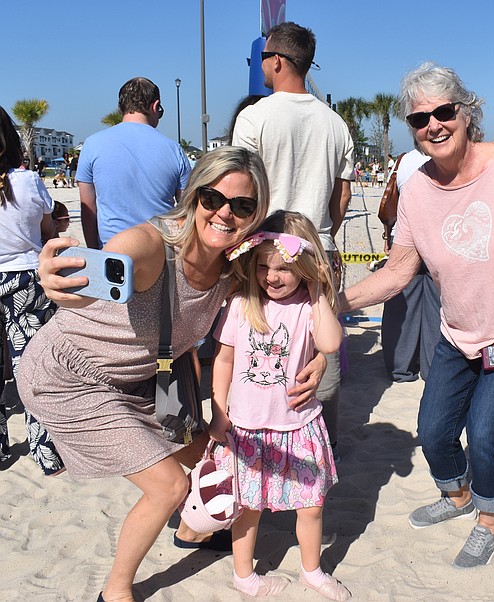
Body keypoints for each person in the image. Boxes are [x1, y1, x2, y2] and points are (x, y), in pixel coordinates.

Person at [18, 146, 327, 602]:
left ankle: (190, 530)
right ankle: (117, 590)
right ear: (192, 196)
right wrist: (62, 281)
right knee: (169, 485)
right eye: (211, 198)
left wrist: (319, 356)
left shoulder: (239, 263)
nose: (224, 213)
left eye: (241, 206)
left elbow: (305, 290)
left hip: (153, 373)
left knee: (214, 454)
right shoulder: (152, 246)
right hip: (71, 378)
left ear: (255, 213)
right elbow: (108, 264)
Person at [341, 62, 494, 568]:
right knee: (434, 430)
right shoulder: (415, 188)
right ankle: (458, 497)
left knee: (485, 431)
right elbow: (398, 272)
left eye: (443, 112)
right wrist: (335, 302)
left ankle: (489, 519)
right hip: (458, 331)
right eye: (420, 119)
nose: (433, 125)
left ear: (466, 113)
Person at [210, 210, 349, 600]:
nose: (272, 276)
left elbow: (331, 343)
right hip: (248, 426)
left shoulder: (308, 306)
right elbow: (223, 360)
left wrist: (321, 288)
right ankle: (244, 576)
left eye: (284, 268)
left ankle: (312, 570)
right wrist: (218, 410)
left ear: (306, 268)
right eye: (263, 266)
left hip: (299, 425)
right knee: (247, 507)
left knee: (311, 506)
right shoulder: (242, 304)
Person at [231, 21, 354, 452]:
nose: (261, 65)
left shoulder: (255, 116)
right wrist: (321, 235)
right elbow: (342, 195)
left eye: (262, 58)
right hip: (318, 249)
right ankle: (322, 441)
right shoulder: (335, 124)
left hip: (265, 253)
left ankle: (257, 431)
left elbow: (240, 188)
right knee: (322, 348)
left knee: (258, 345)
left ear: (277, 60)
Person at [0, 105, 63, 475]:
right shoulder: (26, 182)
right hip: (24, 280)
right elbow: (46, 233)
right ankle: (46, 451)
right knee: (32, 369)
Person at [77, 76, 191, 249]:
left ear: (120, 108)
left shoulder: (92, 144)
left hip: (113, 251)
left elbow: (88, 209)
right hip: (160, 250)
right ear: (155, 106)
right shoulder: (174, 150)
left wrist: (95, 251)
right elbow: (186, 208)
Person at [380, 149, 441, 382]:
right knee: (437, 306)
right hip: (439, 238)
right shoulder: (450, 158)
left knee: (401, 305)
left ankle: (399, 367)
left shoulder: (405, 160)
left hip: (404, 237)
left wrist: (387, 238)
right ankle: (432, 367)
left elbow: (390, 202)